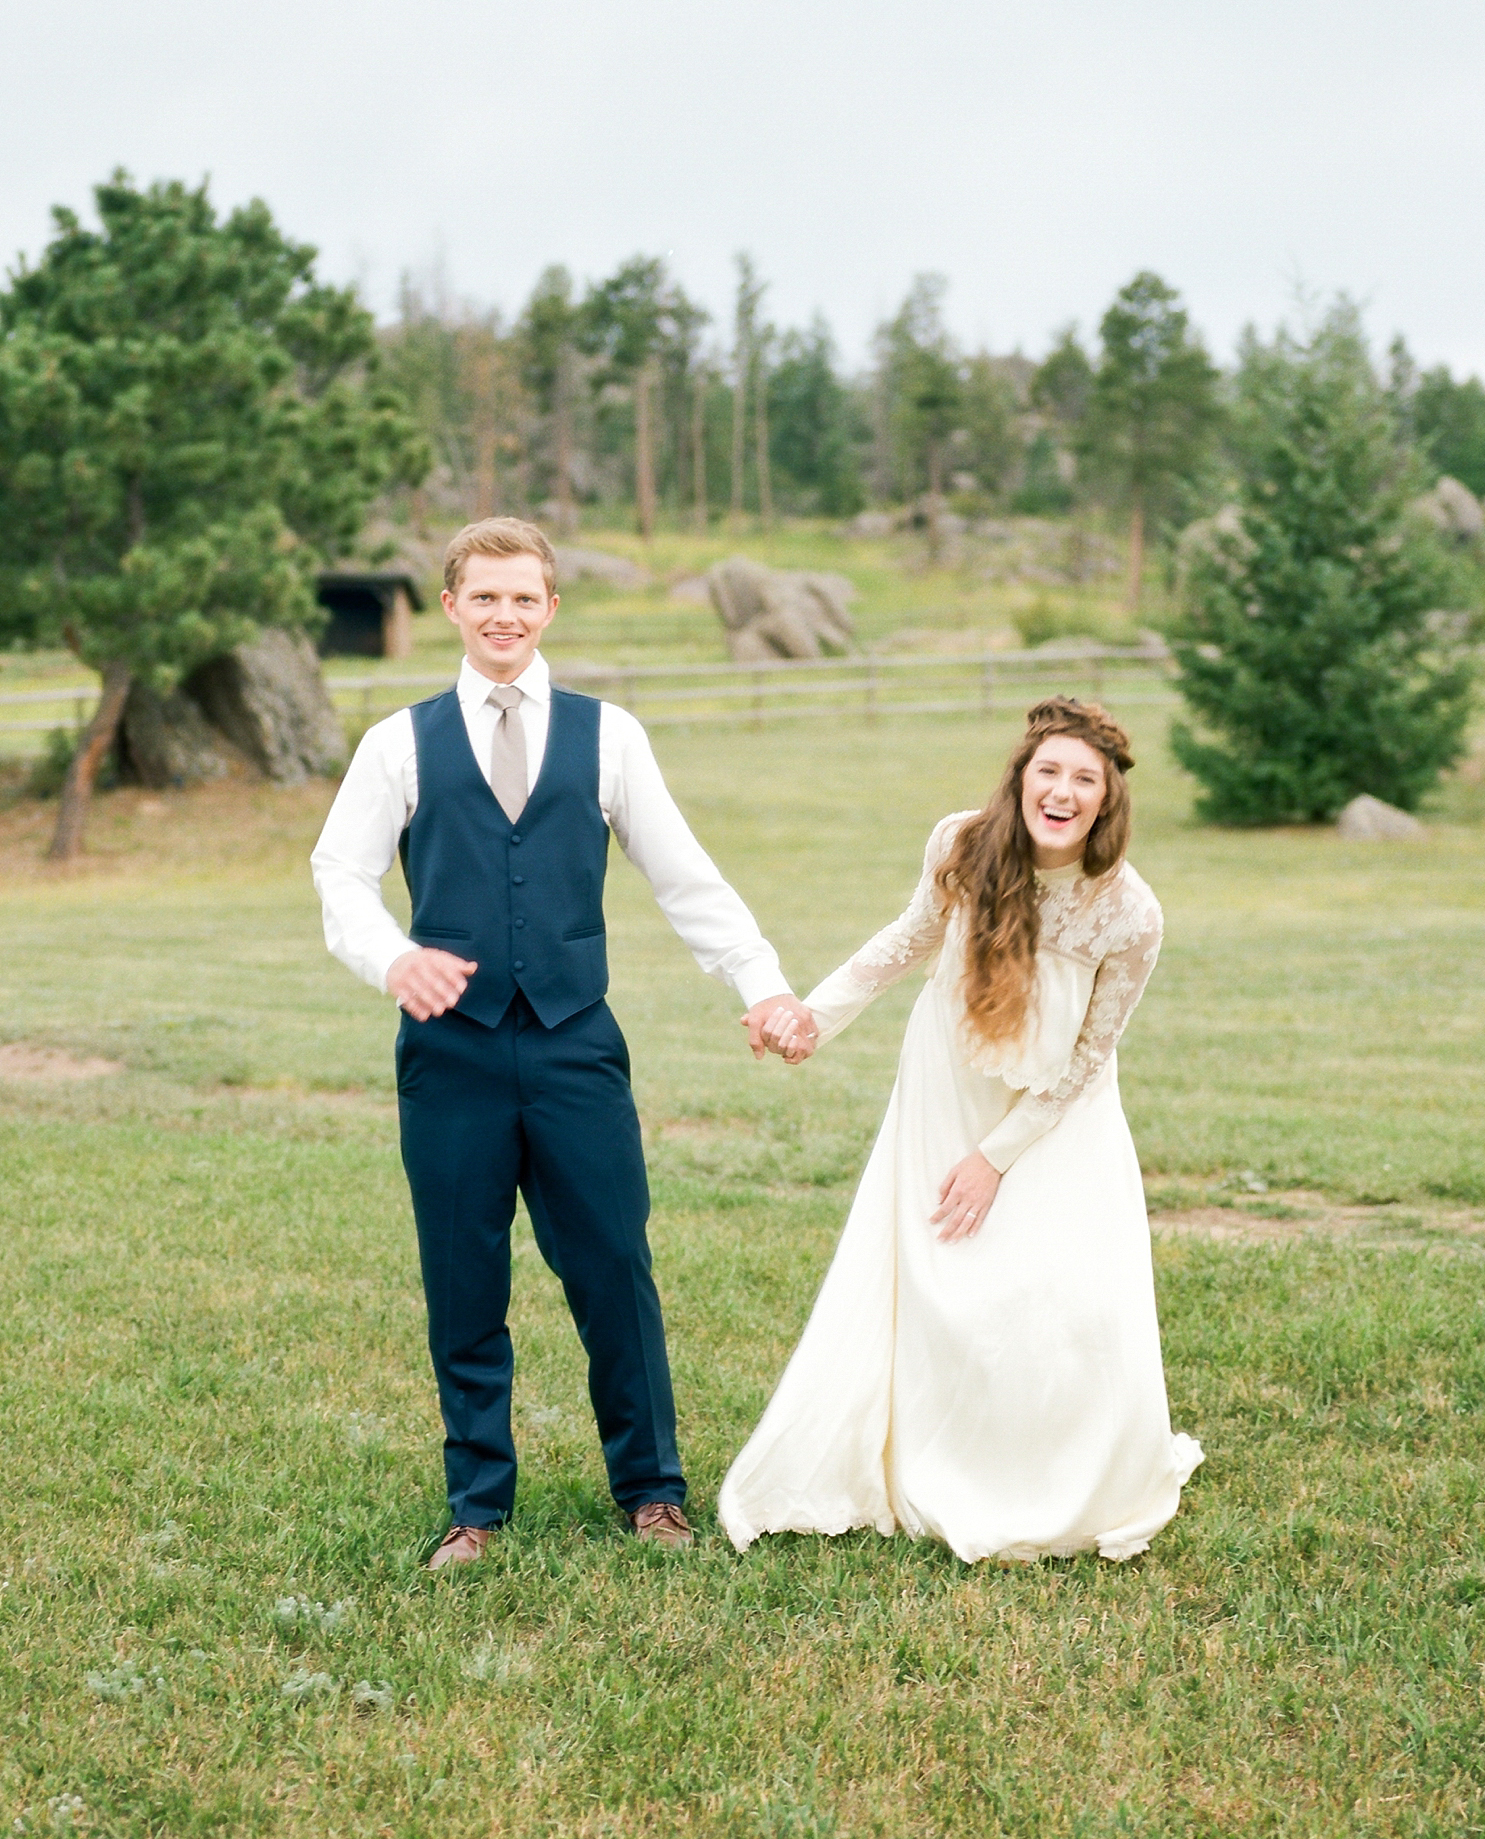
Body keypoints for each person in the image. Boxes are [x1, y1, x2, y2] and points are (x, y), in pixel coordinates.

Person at [312, 517, 811, 1566]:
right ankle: (477, 1508)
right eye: (484, 597)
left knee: (614, 1267)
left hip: (577, 1046)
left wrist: (760, 984)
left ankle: (652, 1491)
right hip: (450, 1056)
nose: (504, 615)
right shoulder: (396, 742)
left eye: (524, 598)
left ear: (550, 608)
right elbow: (341, 878)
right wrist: (394, 959)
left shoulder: (610, 735)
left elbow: (685, 878)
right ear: (451, 605)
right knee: (464, 1277)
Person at [720, 696, 1201, 1564]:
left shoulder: (1130, 914)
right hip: (945, 1087)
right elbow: (905, 942)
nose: (1061, 791)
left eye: (1082, 780)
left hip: (1056, 1120)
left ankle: (1057, 1469)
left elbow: (1091, 1057)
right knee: (949, 1284)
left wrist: (996, 1161)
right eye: (1046, 771)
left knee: (1059, 1298)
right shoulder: (960, 844)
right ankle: (943, 1456)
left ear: (1106, 801)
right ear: (1020, 780)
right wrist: (811, 1019)